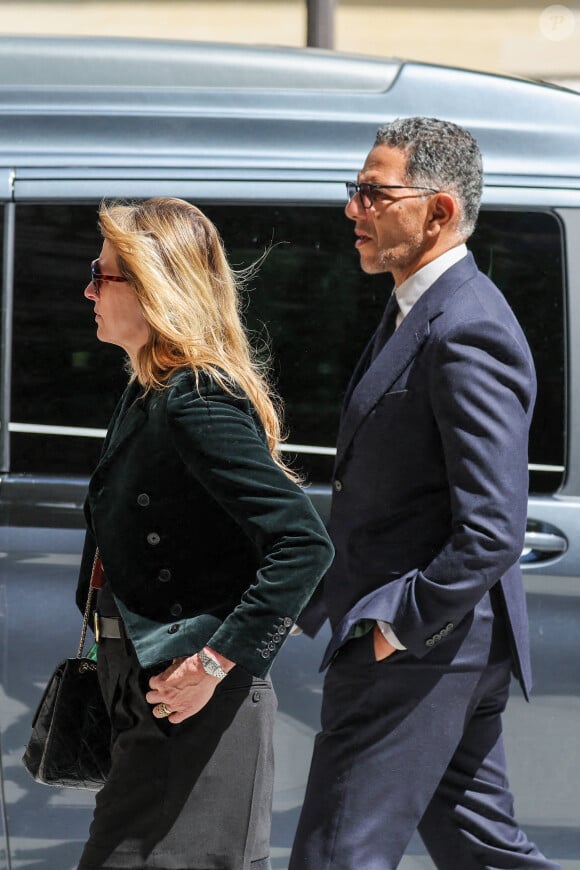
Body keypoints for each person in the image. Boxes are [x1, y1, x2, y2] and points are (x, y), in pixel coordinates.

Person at [289, 117, 559, 869]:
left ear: (439, 211)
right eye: (356, 191)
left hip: (420, 649)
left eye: (374, 193)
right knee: (481, 850)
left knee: (336, 853)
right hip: (446, 647)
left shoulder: (467, 327)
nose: (354, 209)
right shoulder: (419, 306)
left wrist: (393, 627)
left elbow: (491, 529)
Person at [75, 196, 334, 870]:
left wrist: (214, 663)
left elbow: (303, 543)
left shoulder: (196, 397)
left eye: (103, 276)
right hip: (152, 702)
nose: (88, 289)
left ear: (155, 285)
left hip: (198, 711)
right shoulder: (147, 389)